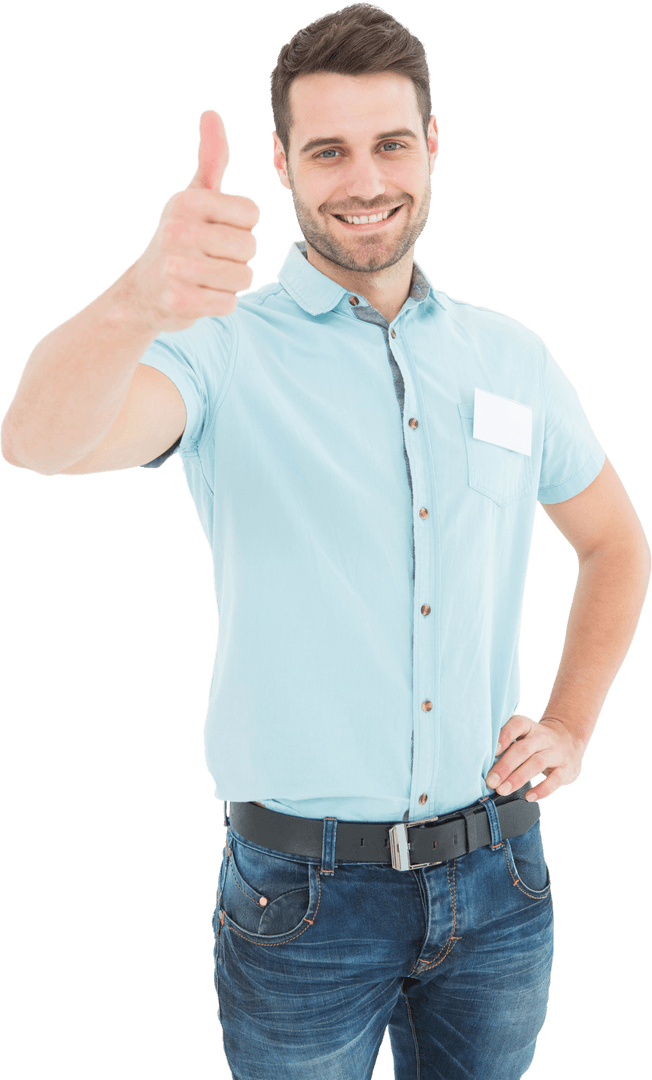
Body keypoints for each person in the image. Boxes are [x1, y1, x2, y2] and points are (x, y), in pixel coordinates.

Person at [2, 4, 650, 1078]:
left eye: (391, 143)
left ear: (432, 144)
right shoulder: (215, 350)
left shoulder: (511, 355)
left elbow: (616, 545)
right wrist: (136, 301)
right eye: (328, 151)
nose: (365, 180)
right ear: (282, 164)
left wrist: (572, 725)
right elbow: (37, 443)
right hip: (302, 903)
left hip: (501, 882)